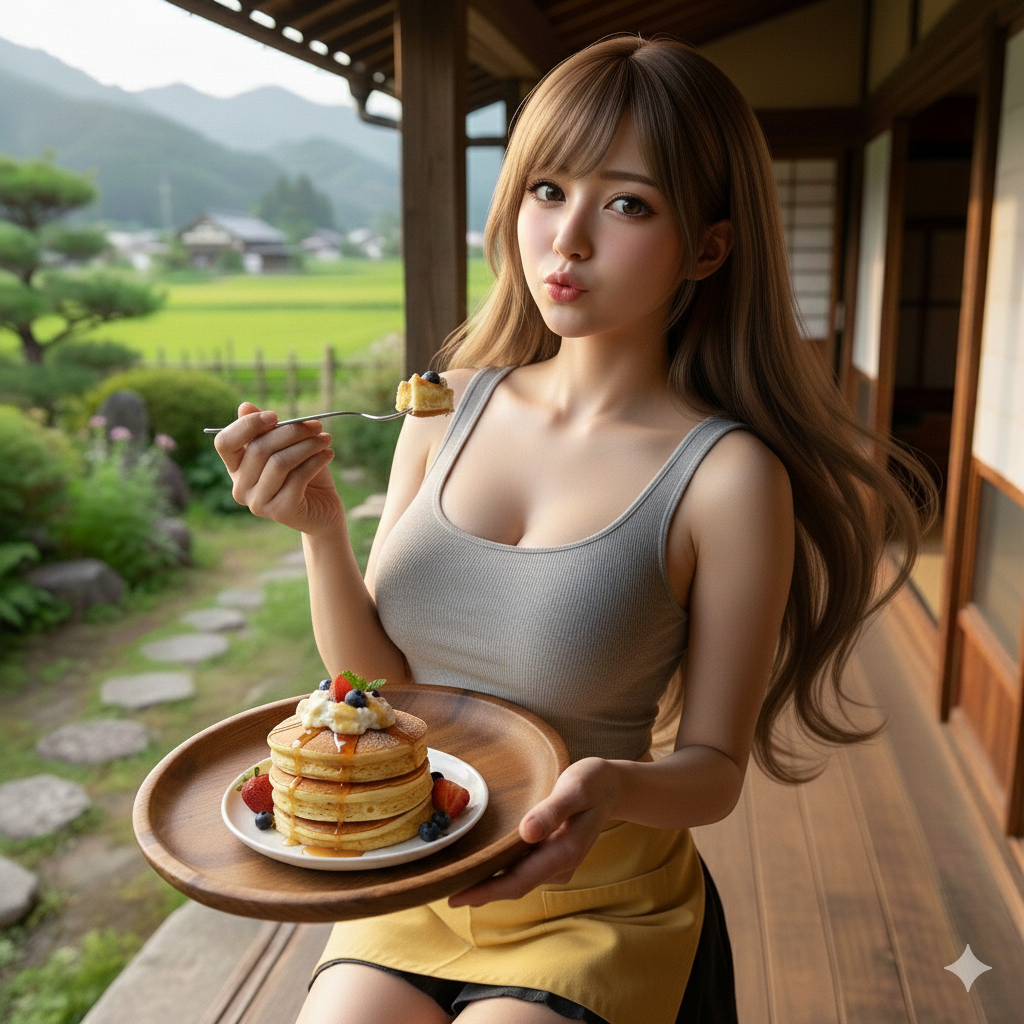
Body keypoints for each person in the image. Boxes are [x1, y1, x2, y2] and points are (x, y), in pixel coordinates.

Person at [213, 34, 932, 1024]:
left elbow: (713, 772)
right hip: (420, 861)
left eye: (627, 203)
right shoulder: (441, 409)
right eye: (546, 189)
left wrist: (611, 789)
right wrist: (318, 532)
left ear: (709, 247)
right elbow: (372, 685)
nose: (567, 237)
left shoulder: (727, 478)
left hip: (601, 892)